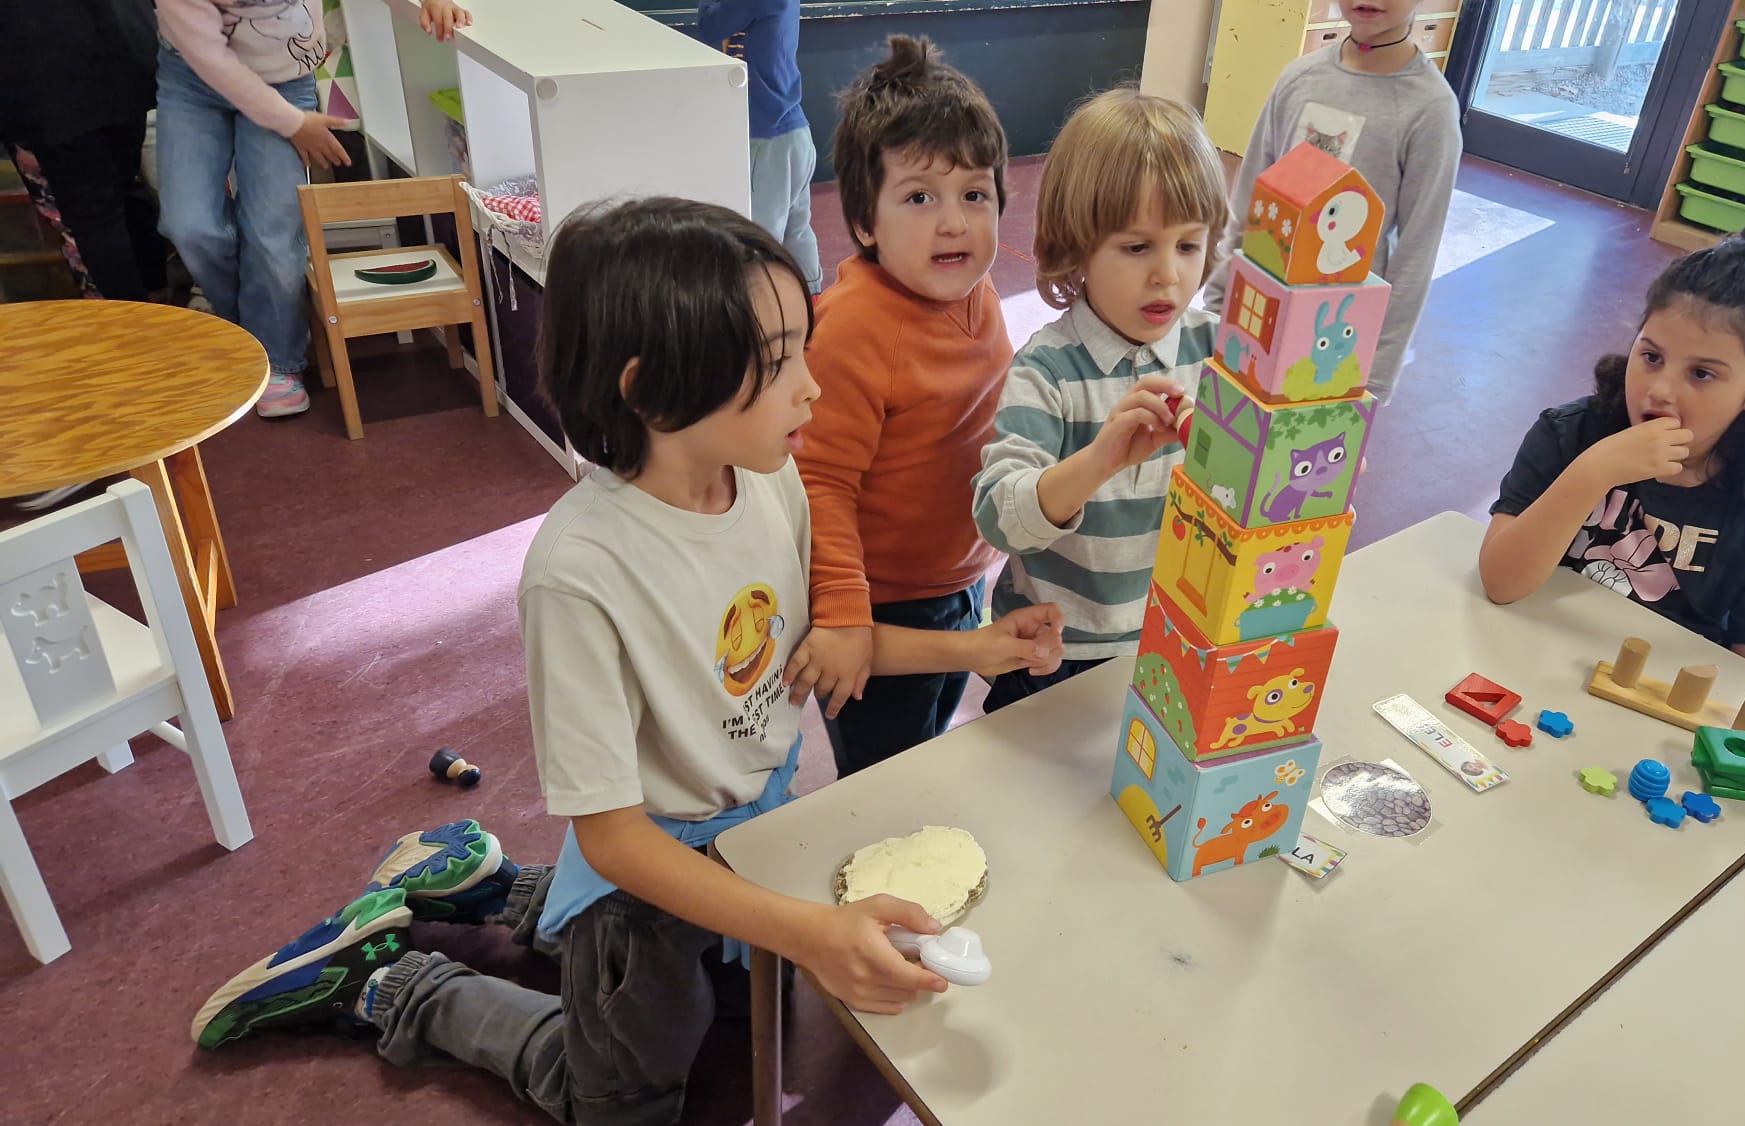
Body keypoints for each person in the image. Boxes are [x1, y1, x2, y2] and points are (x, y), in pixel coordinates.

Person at [189, 198, 1064, 1123]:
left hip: (750, 833)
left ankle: (483, 884)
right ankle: (392, 986)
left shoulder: (773, 480)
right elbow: (612, 840)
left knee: (745, 1006)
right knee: (620, 1102)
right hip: (646, 863)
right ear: (651, 391)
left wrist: (975, 648)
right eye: (777, 363)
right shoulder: (579, 575)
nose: (812, 388)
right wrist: (810, 931)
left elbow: (818, 651)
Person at [790, 35, 1012, 776]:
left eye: (974, 195)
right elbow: (819, 482)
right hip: (880, 606)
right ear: (864, 222)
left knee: (931, 738)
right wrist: (843, 616)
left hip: (960, 579)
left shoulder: (976, 289)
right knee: (887, 780)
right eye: (920, 197)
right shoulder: (854, 328)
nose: (954, 223)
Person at [971, 88, 1229, 711]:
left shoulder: (1221, 353)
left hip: (1179, 637)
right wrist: (1098, 461)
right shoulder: (1048, 371)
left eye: (1188, 245)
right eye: (1137, 247)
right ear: (1075, 245)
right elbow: (999, 516)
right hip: (1055, 656)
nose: (1168, 273)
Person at [1479, 219, 1745, 678]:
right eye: (1651, 357)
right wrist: (1593, 472)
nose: (1659, 391)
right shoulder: (1571, 434)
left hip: (1655, 693)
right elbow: (1501, 583)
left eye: (1701, 374)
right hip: (1526, 658)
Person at [153, 0, 469, 419]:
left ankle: (276, 357)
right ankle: (248, 332)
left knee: (273, 229)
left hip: (285, 77)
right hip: (194, 79)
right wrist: (295, 124)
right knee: (189, 225)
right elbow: (211, 60)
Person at [1200, 0, 1461, 403]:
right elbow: (1251, 201)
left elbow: (1416, 254)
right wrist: (1218, 304)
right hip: (1254, 318)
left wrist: (1374, 376)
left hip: (1338, 338)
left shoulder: (1430, 109)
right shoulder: (1299, 77)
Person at [0, 0, 166, 304]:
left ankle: (136, 320)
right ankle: (159, 297)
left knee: (95, 214)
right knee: (125, 187)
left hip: (41, 74)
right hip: (122, 46)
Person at [699, 0, 822, 293]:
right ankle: (812, 303)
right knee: (796, 230)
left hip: (766, 140)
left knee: (760, 239)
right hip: (793, 132)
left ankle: (766, 308)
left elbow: (710, 26)